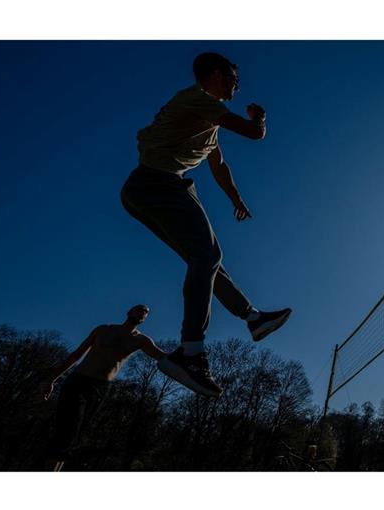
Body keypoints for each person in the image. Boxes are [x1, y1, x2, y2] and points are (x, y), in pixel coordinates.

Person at [120, 52, 291, 398]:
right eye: (232, 78)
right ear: (215, 74)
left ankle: (253, 318)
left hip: (148, 189)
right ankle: (190, 353)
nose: (236, 86)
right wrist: (260, 118)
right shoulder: (196, 100)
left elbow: (219, 166)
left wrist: (236, 199)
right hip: (157, 182)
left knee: (207, 261)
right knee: (207, 257)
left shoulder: (207, 119)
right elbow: (253, 133)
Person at [39, 305, 165, 471]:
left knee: (77, 432)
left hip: (101, 388)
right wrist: (51, 380)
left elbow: (163, 357)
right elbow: (77, 354)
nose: (143, 313)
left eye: (146, 312)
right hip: (78, 381)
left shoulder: (141, 340)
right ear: (129, 312)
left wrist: (189, 354)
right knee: (68, 429)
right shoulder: (103, 330)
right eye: (139, 309)